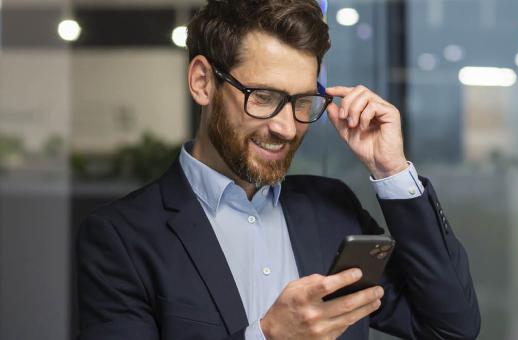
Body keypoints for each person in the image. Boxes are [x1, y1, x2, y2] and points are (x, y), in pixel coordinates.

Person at [75, 0, 480, 339]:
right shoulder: (120, 238)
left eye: (303, 101)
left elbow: (450, 327)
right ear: (202, 82)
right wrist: (267, 336)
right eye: (263, 97)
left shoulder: (330, 208)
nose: (286, 128)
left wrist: (389, 169)